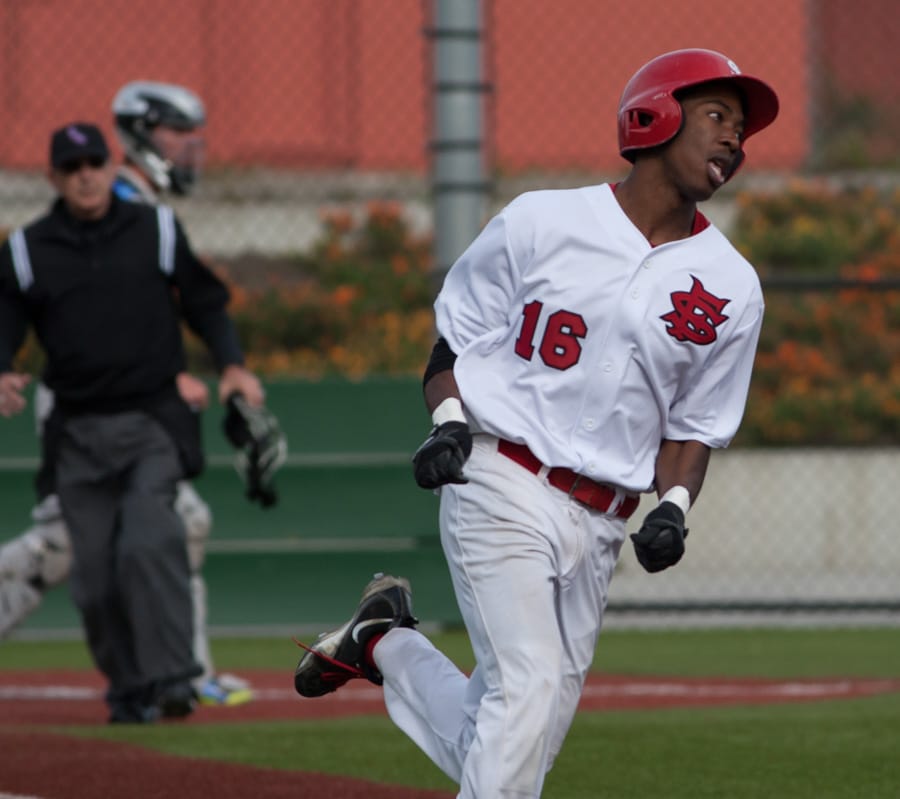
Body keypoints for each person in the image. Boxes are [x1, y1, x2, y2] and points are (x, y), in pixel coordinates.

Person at [293, 48, 779, 797]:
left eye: (741, 130)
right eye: (717, 116)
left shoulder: (732, 285)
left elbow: (698, 423)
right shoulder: (542, 220)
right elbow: (451, 346)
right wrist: (448, 421)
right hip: (501, 478)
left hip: (601, 522)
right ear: (655, 116)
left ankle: (385, 640)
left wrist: (674, 508)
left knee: (514, 735)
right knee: (527, 688)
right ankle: (387, 641)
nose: (733, 141)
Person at [0, 120, 264, 724]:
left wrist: (231, 367)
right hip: (76, 433)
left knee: (151, 541)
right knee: (93, 580)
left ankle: (173, 679)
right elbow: (6, 312)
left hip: (151, 422)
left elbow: (205, 300)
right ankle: (130, 688)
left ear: (111, 166)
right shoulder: (28, 248)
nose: (86, 175)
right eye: (72, 167)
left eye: (95, 162)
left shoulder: (156, 230)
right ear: (53, 178)